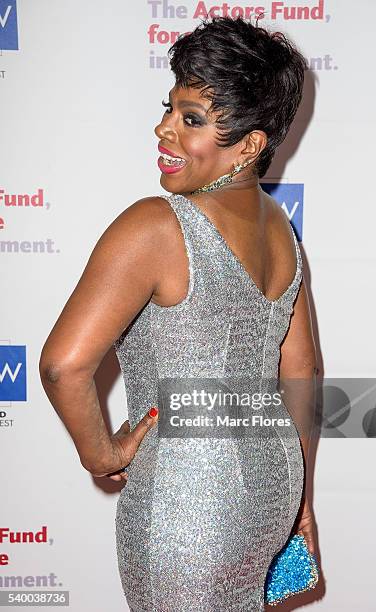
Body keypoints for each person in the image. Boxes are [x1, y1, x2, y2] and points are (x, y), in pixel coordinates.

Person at [39, 15, 317, 612]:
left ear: (250, 145)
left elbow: (64, 366)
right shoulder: (285, 237)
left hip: (188, 504)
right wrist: (303, 504)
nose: (163, 129)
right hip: (275, 488)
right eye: (170, 109)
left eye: (191, 119)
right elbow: (304, 375)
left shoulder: (156, 225)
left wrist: (102, 454)